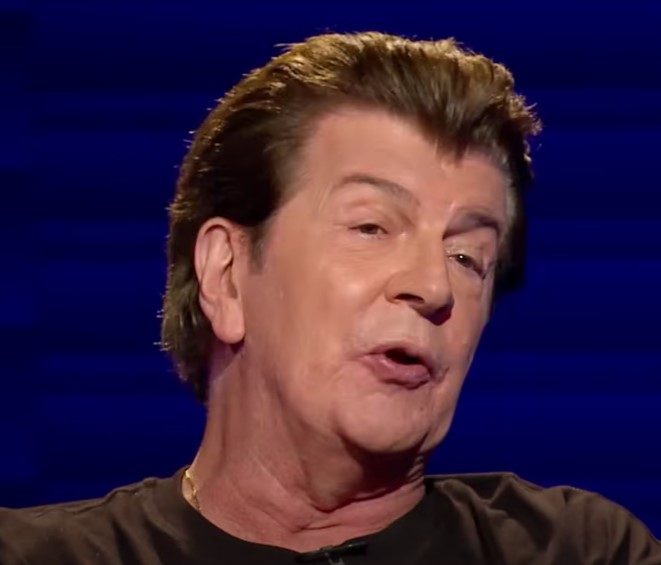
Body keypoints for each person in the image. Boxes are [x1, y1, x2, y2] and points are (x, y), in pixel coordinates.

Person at [1, 31, 659, 565]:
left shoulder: (579, 551)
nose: (434, 287)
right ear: (226, 276)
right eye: (371, 227)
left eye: (468, 258)